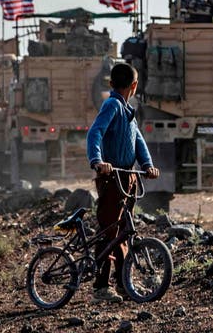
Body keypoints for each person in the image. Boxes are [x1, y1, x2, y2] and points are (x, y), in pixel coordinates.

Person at [86, 63, 160, 303]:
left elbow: (138, 141)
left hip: (128, 176)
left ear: (111, 83)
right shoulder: (112, 105)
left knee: (124, 231)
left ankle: (123, 282)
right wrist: (97, 160)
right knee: (110, 230)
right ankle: (100, 287)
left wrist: (147, 165)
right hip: (111, 176)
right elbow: (95, 132)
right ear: (135, 86)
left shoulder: (128, 110)